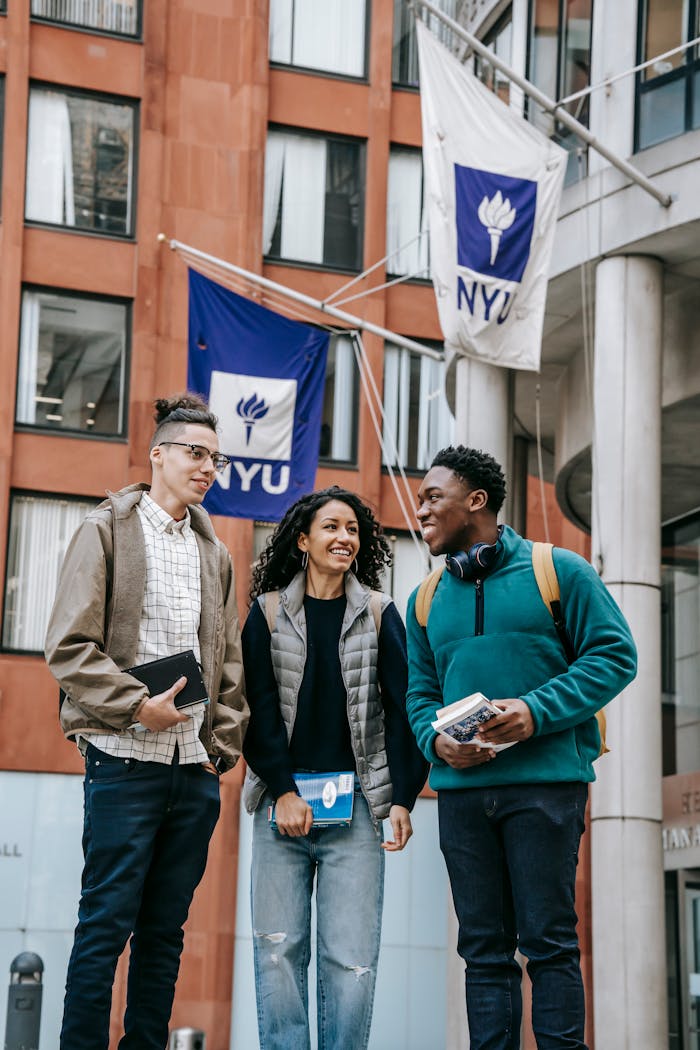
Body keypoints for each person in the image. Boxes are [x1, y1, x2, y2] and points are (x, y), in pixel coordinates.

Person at [405, 446, 637, 1050]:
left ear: (476, 501)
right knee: (482, 951)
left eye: (434, 497)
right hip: (460, 798)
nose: (420, 509)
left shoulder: (560, 571)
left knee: (549, 943)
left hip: (546, 788)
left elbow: (616, 656)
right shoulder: (425, 599)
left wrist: (534, 710)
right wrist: (435, 741)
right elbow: (418, 693)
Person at [45, 393, 249, 1050]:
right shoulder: (105, 529)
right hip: (122, 759)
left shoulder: (214, 552)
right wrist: (138, 704)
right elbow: (69, 646)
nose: (207, 467)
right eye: (195, 453)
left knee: (165, 933)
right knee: (105, 923)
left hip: (192, 769)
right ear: (157, 455)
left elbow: (229, 661)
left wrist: (225, 742)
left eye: (215, 458)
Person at [241, 485, 428, 1050]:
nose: (344, 537)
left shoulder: (378, 613)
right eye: (331, 527)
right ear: (303, 540)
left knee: (351, 963)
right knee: (277, 950)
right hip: (283, 811)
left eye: (352, 529)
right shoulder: (269, 612)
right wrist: (283, 790)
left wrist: (402, 798)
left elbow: (403, 706)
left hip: (358, 817)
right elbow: (257, 708)